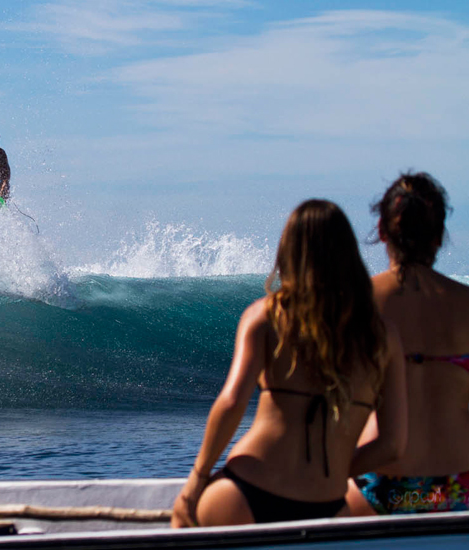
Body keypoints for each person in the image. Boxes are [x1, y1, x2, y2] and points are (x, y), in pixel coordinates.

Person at [171, 199, 407, 527]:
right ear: (348, 254)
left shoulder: (265, 315)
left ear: (288, 251)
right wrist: (336, 468)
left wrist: (195, 482)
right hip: (328, 503)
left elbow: (231, 402)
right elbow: (392, 445)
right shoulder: (382, 335)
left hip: (247, 491)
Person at [346, 173, 469, 515]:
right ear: (440, 235)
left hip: (379, 487)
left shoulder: (357, 304)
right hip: (460, 487)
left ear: (383, 232)